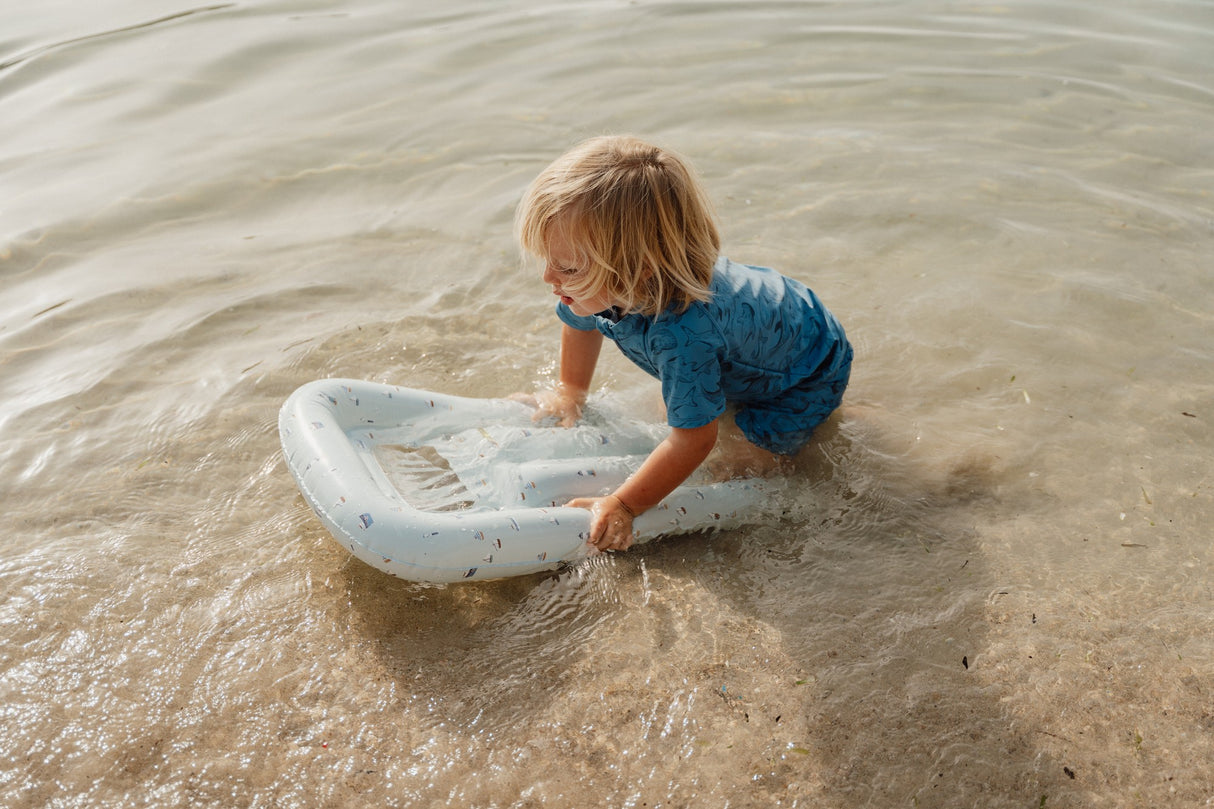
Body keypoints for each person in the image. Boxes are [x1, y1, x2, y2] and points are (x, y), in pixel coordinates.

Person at [514, 135, 852, 554]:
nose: (549, 277)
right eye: (548, 260)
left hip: (807, 369)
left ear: (639, 271)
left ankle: (826, 420)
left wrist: (623, 504)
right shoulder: (591, 289)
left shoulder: (681, 334)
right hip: (763, 332)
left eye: (566, 266)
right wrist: (571, 392)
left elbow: (694, 441)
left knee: (739, 464)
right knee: (684, 410)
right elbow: (579, 325)